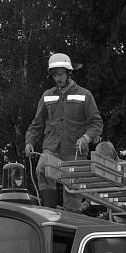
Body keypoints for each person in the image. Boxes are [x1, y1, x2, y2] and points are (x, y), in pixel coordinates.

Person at [24, 53, 103, 211]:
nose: (57, 78)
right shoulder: (47, 96)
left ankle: (71, 217)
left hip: (75, 151)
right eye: (54, 75)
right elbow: (37, 123)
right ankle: (49, 208)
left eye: (60, 74)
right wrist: (30, 141)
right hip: (52, 147)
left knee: (72, 186)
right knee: (42, 168)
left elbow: (96, 123)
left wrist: (86, 138)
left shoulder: (85, 95)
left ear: (69, 73)